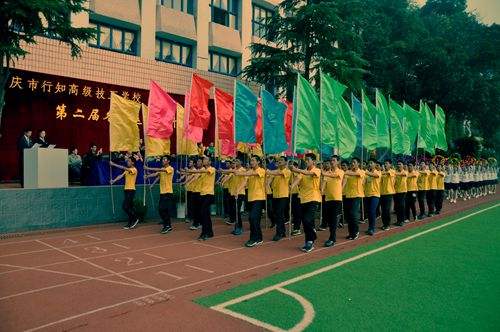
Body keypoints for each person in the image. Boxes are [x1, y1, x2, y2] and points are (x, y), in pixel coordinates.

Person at [231, 155, 266, 247]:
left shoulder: (261, 170)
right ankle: (259, 238)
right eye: (251, 160)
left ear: (258, 162)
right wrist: (237, 191)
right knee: (254, 219)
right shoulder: (249, 171)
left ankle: (254, 238)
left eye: (253, 160)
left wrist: (239, 173)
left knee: (253, 218)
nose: (251, 162)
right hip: (250, 198)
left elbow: (250, 174)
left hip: (259, 197)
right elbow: (244, 182)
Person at [291, 153, 321, 252]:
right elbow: (298, 179)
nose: (306, 161)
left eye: (308, 160)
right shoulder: (302, 172)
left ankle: (312, 236)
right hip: (303, 199)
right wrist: (291, 187)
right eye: (305, 160)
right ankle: (309, 242)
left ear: (314, 161)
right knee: (305, 221)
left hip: (313, 198)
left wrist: (296, 169)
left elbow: (309, 174)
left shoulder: (317, 170)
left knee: (307, 219)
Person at [184, 156, 216, 240]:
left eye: (205, 160)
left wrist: (190, 171)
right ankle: (210, 232)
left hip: (209, 194)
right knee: (206, 214)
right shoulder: (201, 171)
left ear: (210, 162)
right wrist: (186, 174)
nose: (203, 161)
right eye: (203, 160)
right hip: (202, 194)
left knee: (203, 212)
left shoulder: (212, 169)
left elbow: (203, 171)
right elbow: (195, 175)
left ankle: (204, 232)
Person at [145, 156, 175, 234]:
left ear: (168, 161)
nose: (163, 160)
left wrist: (148, 168)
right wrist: (148, 176)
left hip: (168, 192)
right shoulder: (162, 169)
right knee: (161, 209)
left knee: (164, 209)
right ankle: (166, 224)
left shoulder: (170, 168)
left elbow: (160, 170)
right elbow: (156, 175)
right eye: (162, 159)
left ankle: (167, 225)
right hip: (162, 192)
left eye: (165, 159)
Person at [266, 156, 291, 241]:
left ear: (285, 162)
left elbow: (278, 173)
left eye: (281, 160)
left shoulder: (287, 171)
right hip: (275, 195)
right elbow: (269, 181)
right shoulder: (275, 171)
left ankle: (279, 233)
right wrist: (267, 183)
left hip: (283, 195)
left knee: (279, 213)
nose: (279, 161)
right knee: (277, 214)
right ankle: (282, 231)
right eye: (278, 160)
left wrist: (269, 171)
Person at [321, 156, 344, 245]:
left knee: (333, 218)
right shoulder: (327, 172)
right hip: (328, 198)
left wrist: (325, 174)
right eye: (331, 160)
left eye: (334, 160)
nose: (332, 162)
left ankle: (332, 238)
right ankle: (332, 235)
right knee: (330, 219)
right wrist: (321, 191)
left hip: (336, 198)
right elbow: (324, 185)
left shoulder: (340, 172)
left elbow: (335, 176)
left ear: (338, 162)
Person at [110, 158, 139, 229]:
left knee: (125, 207)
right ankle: (130, 223)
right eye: (127, 161)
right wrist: (113, 181)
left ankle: (135, 218)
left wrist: (113, 164)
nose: (127, 162)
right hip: (126, 190)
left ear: (133, 163)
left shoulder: (134, 170)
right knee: (129, 207)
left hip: (131, 190)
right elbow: (120, 176)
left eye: (129, 161)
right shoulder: (126, 171)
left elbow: (123, 168)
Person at [343, 158, 365, 240]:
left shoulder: (361, 171)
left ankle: (355, 231)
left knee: (353, 213)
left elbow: (356, 174)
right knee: (348, 215)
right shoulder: (347, 173)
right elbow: (344, 182)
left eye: (354, 162)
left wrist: (346, 172)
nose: (352, 163)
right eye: (351, 162)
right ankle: (351, 232)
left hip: (357, 195)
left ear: (358, 164)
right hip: (348, 195)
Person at [363, 159, 381, 235]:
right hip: (367, 195)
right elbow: (363, 183)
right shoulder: (366, 174)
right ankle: (370, 227)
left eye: (371, 163)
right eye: (369, 163)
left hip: (375, 195)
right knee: (369, 212)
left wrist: (365, 172)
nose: (369, 164)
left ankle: (372, 228)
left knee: (372, 211)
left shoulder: (378, 172)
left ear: (375, 164)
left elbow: (375, 176)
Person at [380, 160, 396, 230]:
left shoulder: (392, 171)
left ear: (390, 165)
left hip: (389, 193)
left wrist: (382, 170)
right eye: (384, 163)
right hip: (382, 193)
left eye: (386, 163)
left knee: (387, 210)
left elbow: (386, 173)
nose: (385, 164)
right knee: (383, 210)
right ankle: (384, 224)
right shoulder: (382, 172)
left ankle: (387, 224)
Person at [290, 161, 303, 236]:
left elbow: (297, 182)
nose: (290, 167)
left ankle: (297, 228)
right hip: (291, 194)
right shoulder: (290, 174)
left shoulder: (298, 174)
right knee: (294, 212)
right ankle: (296, 227)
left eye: (292, 166)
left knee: (297, 212)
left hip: (298, 194)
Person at [394, 161, 408, 226]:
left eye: (400, 164)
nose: (398, 165)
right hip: (396, 191)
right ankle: (398, 220)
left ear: (403, 165)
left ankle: (402, 220)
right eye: (398, 164)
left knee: (401, 206)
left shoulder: (405, 171)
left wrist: (395, 173)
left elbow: (403, 175)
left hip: (402, 191)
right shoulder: (395, 172)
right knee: (397, 207)